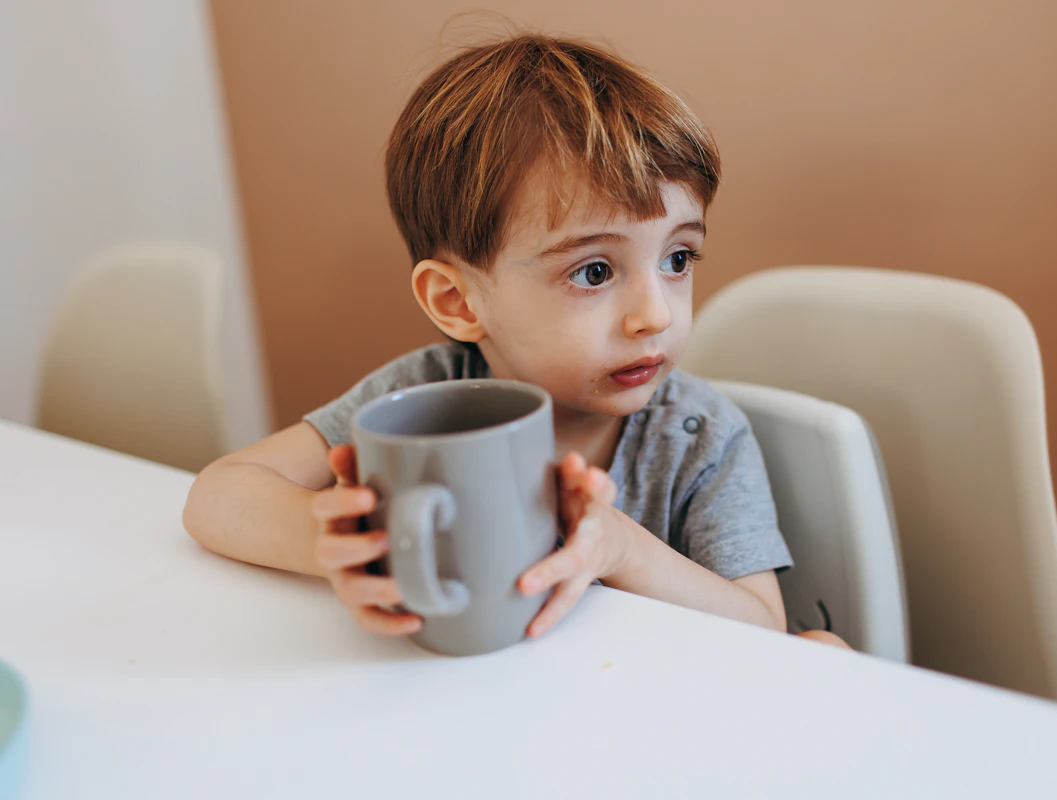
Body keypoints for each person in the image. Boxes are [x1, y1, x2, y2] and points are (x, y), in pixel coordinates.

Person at [183, 33, 847, 648]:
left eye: (678, 259)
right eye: (594, 271)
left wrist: (622, 549)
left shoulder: (697, 438)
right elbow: (217, 494)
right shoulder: (421, 399)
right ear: (459, 301)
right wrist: (332, 541)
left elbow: (762, 627)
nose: (656, 315)